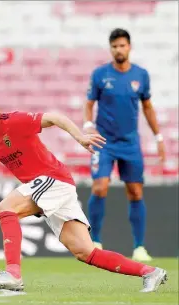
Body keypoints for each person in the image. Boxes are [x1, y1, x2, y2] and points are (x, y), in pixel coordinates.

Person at [0, 88, 167, 292]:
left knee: (6, 209)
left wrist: (80, 137)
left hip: (53, 179)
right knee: (86, 252)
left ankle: (13, 274)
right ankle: (150, 272)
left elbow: (54, 118)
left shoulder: (14, 121)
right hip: (52, 188)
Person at [84, 29, 166, 262]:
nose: (118, 50)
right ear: (110, 49)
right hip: (104, 142)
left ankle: (139, 247)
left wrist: (158, 137)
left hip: (130, 143)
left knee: (136, 191)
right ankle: (95, 241)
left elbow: (148, 107)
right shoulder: (100, 74)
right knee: (100, 186)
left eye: (122, 46)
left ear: (129, 47)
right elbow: (89, 103)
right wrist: (88, 124)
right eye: (114, 46)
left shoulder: (141, 75)